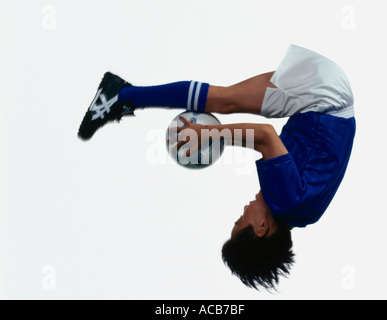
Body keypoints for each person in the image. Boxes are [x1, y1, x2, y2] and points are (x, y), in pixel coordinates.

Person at [78, 44, 356, 291]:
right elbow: (265, 136)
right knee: (223, 101)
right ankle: (120, 95)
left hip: (331, 100)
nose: (243, 210)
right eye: (240, 221)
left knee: (225, 99)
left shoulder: (303, 215)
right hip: (324, 97)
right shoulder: (285, 202)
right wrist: (209, 135)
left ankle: (124, 95)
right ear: (261, 228)